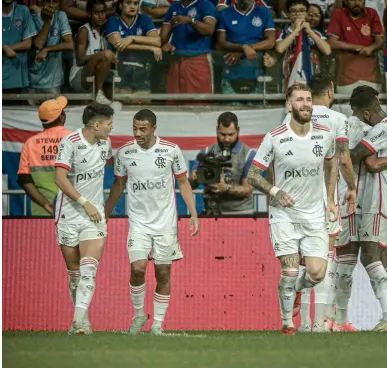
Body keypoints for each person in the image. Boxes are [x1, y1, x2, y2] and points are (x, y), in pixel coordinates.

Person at [247, 83, 340, 335]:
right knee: (289, 269)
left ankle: (298, 289)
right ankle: (288, 323)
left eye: (309, 99)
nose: (305, 104)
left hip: (314, 215)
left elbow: (332, 166)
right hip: (284, 215)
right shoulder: (275, 137)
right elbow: (253, 175)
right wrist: (275, 192)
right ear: (289, 105)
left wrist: (330, 200)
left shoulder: (324, 134)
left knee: (317, 273)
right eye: (299, 99)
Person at [104, 110, 201, 335]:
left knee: (163, 273)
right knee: (137, 269)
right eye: (135, 128)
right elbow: (118, 185)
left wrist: (193, 213)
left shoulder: (170, 150)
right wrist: (106, 212)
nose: (138, 133)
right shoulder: (125, 153)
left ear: (154, 129)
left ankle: (157, 323)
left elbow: (183, 182)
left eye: (143, 129)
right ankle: (139, 314)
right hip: (138, 223)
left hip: (165, 224)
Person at [279, 74, 356, 332]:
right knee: (326, 259)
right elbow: (343, 159)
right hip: (327, 200)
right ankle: (321, 322)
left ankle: (304, 323)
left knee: (305, 260)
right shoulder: (338, 120)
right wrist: (352, 187)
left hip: (298, 202)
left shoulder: (290, 119)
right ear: (331, 91)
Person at [346, 89, 387, 332]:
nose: (357, 118)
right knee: (382, 256)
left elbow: (362, 159)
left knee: (369, 255)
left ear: (368, 113)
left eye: (358, 114)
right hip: (384, 198)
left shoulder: (385, 128)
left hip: (380, 199)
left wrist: (339, 149)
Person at [54, 103, 116, 335]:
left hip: (95, 214)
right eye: (109, 124)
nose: (112, 128)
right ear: (96, 125)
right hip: (69, 213)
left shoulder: (105, 143)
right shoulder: (70, 142)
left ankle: (78, 322)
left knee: (89, 269)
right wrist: (84, 202)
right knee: (74, 273)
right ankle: (83, 320)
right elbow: (60, 178)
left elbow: (112, 162)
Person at [189, 112, 257, 216]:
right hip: (211, 212)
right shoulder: (205, 152)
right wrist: (194, 178)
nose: (226, 139)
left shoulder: (249, 154)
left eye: (231, 134)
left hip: (241, 215)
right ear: (217, 130)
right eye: (223, 134)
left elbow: (248, 190)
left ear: (238, 131)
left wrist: (225, 187)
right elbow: (191, 186)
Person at [18, 96, 72, 217]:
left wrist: (45, 204)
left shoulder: (30, 143)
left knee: (41, 236)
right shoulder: (74, 139)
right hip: (73, 209)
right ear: (62, 118)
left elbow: (24, 179)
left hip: (42, 212)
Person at [69, 0, 118, 104]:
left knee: (108, 59)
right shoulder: (84, 31)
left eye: (103, 12)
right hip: (79, 76)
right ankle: (98, 93)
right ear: (89, 14)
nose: (100, 16)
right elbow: (80, 60)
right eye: (96, 13)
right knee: (106, 55)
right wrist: (101, 55)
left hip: (97, 76)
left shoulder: (105, 32)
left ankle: (100, 94)